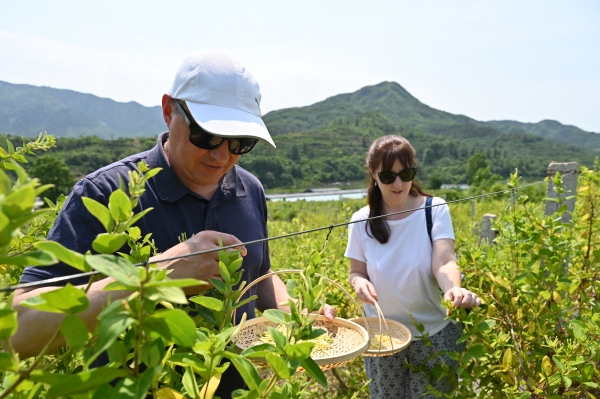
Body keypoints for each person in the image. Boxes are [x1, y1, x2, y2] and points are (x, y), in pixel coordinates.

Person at [13, 50, 335, 398]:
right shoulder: (105, 194)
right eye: (206, 135)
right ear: (169, 111)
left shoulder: (250, 189)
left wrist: (298, 316)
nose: (222, 155)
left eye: (241, 142)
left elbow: (262, 273)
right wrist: (155, 277)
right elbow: (17, 331)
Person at [345, 135, 480, 399]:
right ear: (373, 174)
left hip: (434, 332)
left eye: (405, 174)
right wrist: (359, 283)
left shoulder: (434, 209)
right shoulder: (361, 220)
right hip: (383, 337)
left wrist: (453, 289)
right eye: (387, 177)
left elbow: (444, 261)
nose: (398, 183)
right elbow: (356, 272)